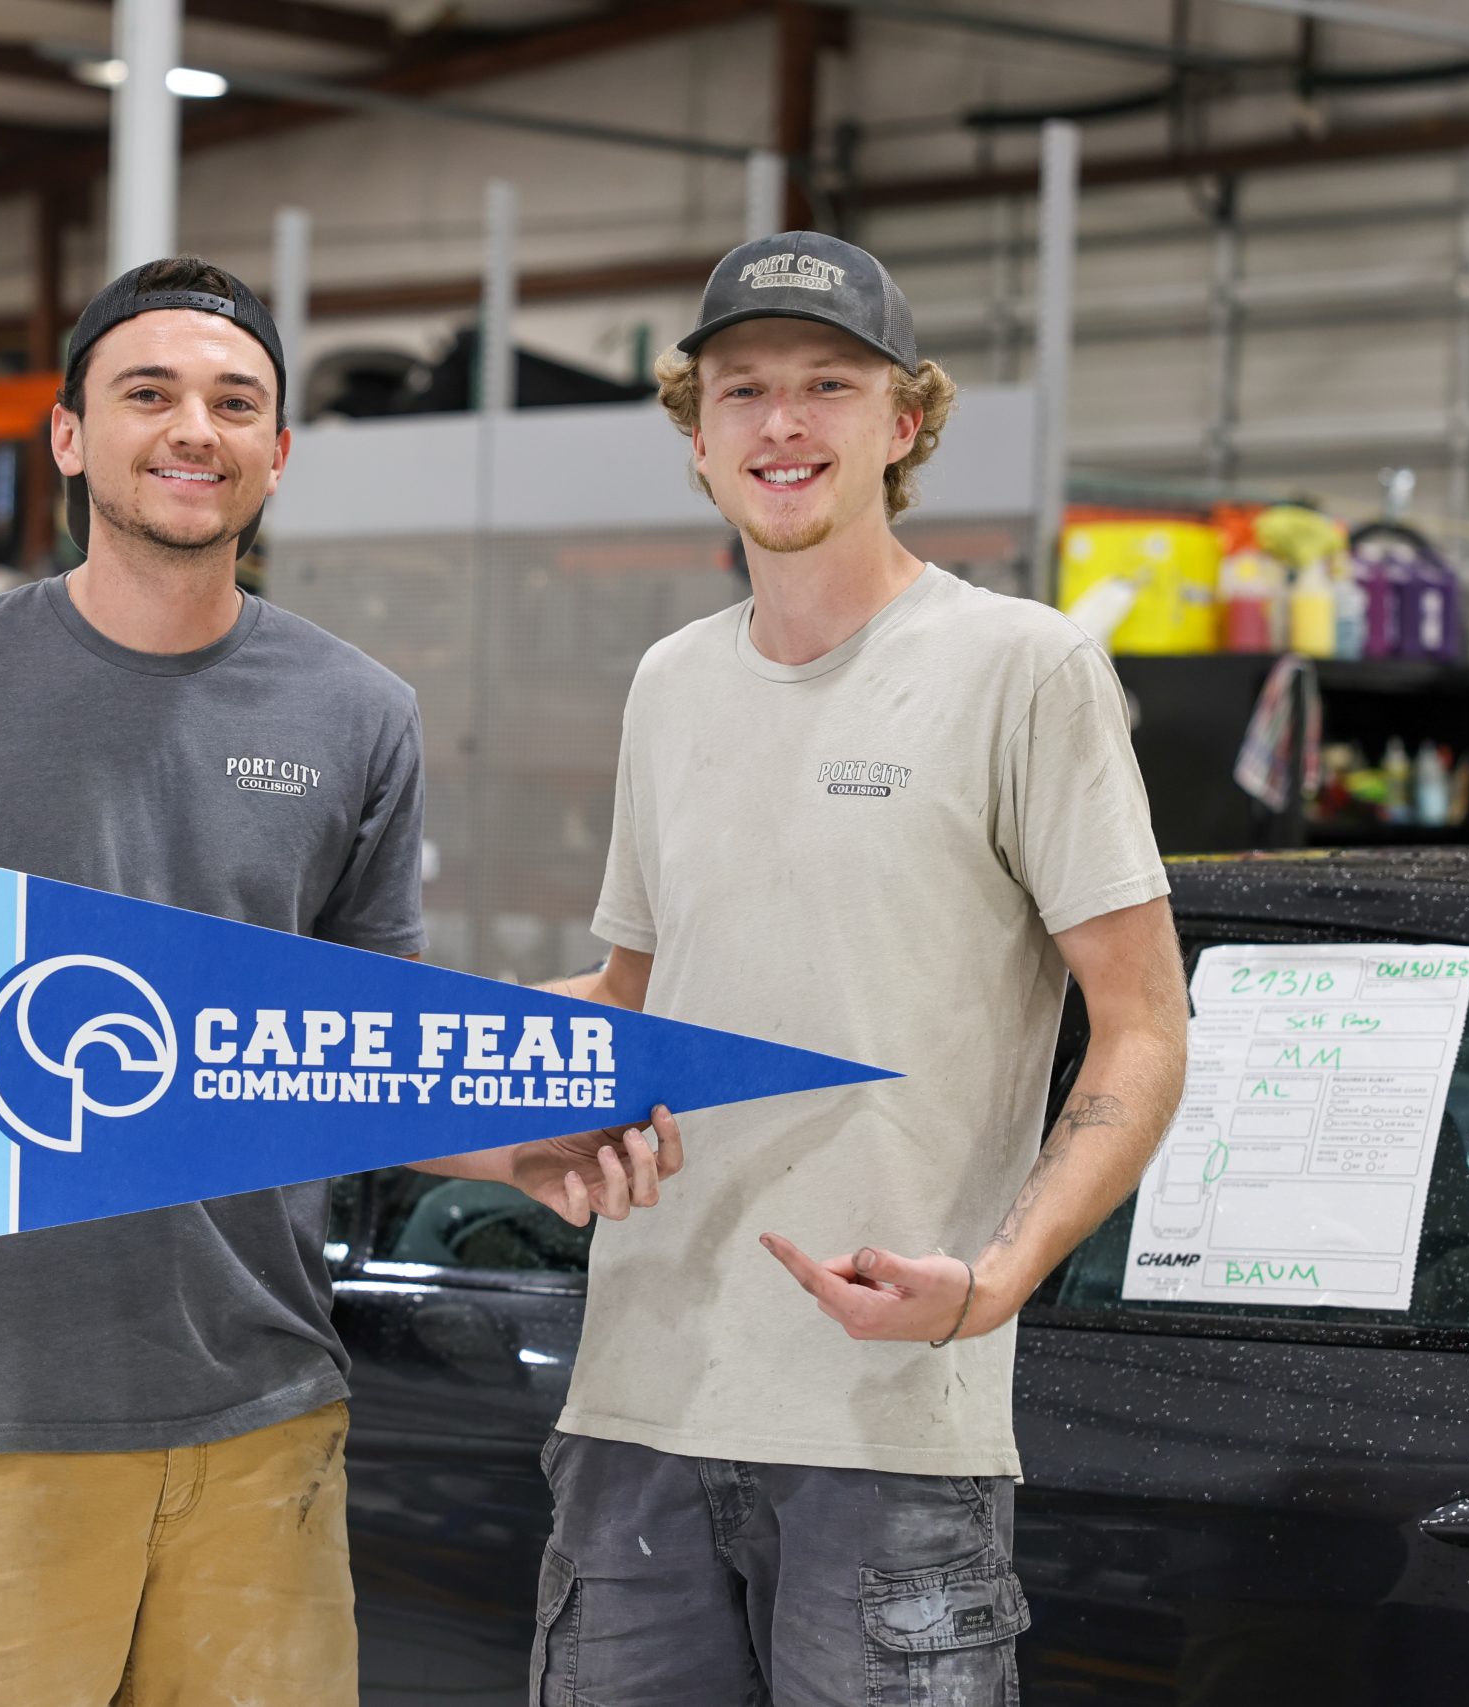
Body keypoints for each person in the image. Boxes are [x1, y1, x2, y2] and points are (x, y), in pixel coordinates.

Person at [0, 256, 681, 1707]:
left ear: (277, 454)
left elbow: (357, 1055)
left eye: (234, 402)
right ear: (71, 435)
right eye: (150, 393)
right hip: (4, 1406)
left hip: (264, 1409)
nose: (195, 427)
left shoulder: (358, 710)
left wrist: (524, 1141)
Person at [534, 231, 1191, 1705]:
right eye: (743, 389)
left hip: (891, 1431)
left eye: (829, 384)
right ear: (695, 437)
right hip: (635, 1416)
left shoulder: (1023, 668)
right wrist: (401, 1063)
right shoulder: (669, 682)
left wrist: (992, 1282)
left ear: (903, 425)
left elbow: (1144, 1029)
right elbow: (629, 1008)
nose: (783, 422)